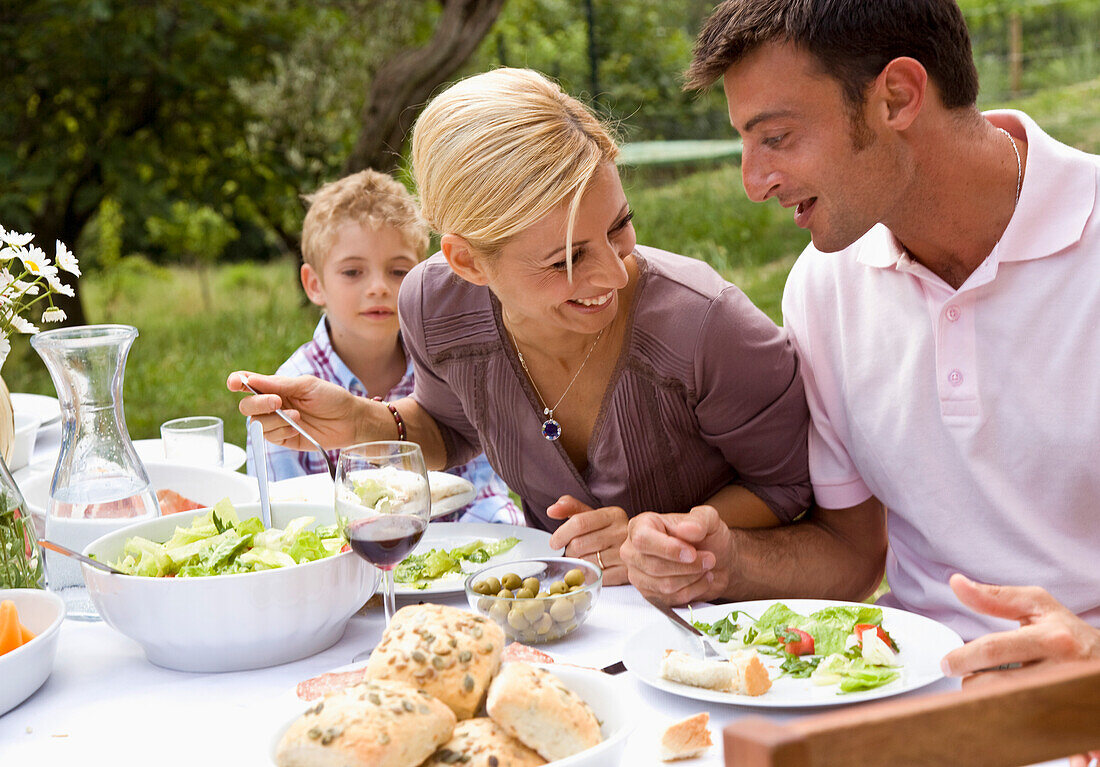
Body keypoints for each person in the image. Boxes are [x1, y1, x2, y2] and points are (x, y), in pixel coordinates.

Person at [621, 3, 1100, 756]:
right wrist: (720, 560)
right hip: (898, 708)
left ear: (899, 96)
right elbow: (852, 552)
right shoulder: (822, 285)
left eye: (776, 138)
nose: (755, 182)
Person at [230, 67, 813, 586]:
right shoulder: (434, 302)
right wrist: (364, 422)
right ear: (467, 262)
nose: (612, 272)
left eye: (620, 226)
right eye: (567, 259)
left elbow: (791, 489)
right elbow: (452, 427)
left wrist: (658, 535)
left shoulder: (706, 324)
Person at [249, 169, 521, 525]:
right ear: (314, 284)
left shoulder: (452, 369)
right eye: (352, 272)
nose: (378, 287)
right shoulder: (291, 395)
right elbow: (285, 521)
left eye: (398, 271)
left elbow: (482, 495)